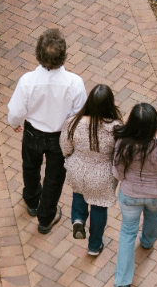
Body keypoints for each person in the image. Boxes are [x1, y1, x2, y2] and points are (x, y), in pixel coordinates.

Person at [7, 29, 87, 234]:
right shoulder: (75, 83)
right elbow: (80, 116)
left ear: (37, 54)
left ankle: (32, 202)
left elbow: (16, 111)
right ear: (64, 56)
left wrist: (14, 122)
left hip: (33, 133)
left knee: (30, 167)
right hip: (60, 138)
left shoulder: (27, 81)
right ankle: (45, 218)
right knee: (54, 178)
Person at [111, 103, 157, 287]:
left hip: (130, 196)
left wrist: (128, 180)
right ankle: (148, 241)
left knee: (127, 233)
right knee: (152, 217)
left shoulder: (122, 144)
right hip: (155, 197)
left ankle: (123, 281)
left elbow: (118, 173)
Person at [61, 84, 121, 256]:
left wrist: (73, 159)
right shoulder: (116, 127)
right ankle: (94, 246)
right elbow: (118, 155)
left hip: (77, 169)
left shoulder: (73, 122)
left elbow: (65, 148)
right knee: (99, 207)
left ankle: (78, 220)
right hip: (102, 175)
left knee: (79, 192)